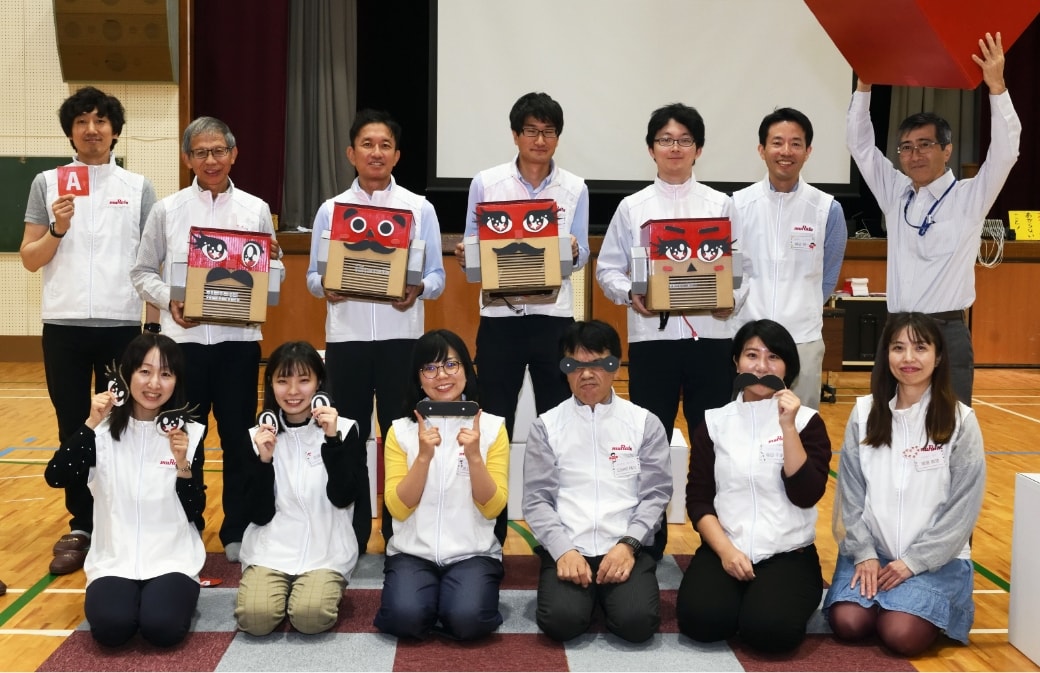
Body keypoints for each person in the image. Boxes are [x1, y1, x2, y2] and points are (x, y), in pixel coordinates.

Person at [20, 86, 157, 575]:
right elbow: (29, 258)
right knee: (73, 424)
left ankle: (118, 516)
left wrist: (152, 325)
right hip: (64, 325)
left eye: (101, 121)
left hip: (122, 326)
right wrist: (57, 229)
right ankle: (81, 524)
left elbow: (150, 262)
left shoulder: (138, 187)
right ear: (70, 132)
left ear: (115, 131)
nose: (92, 129)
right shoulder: (46, 183)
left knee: (122, 423)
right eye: (82, 121)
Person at [131, 116, 280, 562]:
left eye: (218, 151)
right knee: (185, 438)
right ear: (187, 159)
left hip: (238, 343)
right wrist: (169, 300)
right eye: (201, 152)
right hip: (183, 346)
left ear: (234, 154)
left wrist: (271, 266)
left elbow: (274, 277)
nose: (210, 160)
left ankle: (237, 528)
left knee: (238, 438)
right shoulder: (167, 210)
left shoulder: (255, 209)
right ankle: (187, 523)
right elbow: (141, 271)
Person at [847, 32, 1020, 406]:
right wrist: (864, 85)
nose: (915, 155)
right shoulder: (895, 192)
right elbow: (861, 147)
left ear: (947, 150)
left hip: (945, 332)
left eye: (925, 145)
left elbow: (1006, 153)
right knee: (886, 426)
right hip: (896, 330)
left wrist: (997, 87)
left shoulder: (970, 196)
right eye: (906, 147)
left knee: (948, 429)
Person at [596, 103, 734, 554]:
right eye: (665, 140)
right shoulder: (632, 207)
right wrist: (628, 293)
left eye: (684, 140)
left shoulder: (721, 204)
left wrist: (730, 299)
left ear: (698, 149)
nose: (675, 148)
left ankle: (715, 544)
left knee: (711, 445)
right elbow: (607, 269)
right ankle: (646, 545)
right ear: (651, 149)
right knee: (648, 445)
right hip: (653, 341)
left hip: (712, 341)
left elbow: (744, 269)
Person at [306, 109, 445, 553]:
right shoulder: (331, 210)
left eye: (385, 145)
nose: (376, 152)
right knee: (348, 434)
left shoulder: (419, 208)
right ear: (351, 153)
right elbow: (312, 277)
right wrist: (327, 287)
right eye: (367, 144)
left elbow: (438, 276)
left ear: (397, 155)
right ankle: (352, 533)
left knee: (400, 436)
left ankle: (398, 532)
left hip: (402, 339)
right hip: (345, 340)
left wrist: (418, 289)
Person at [824, 312, 985, 656]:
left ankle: (906, 604)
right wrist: (864, 553)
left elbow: (962, 510)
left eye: (920, 348)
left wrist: (913, 562)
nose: (908, 358)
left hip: (935, 560)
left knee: (901, 633)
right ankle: (888, 600)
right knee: (849, 622)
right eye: (898, 348)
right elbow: (850, 496)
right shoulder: (864, 413)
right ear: (886, 355)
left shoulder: (961, 421)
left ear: (938, 357)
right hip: (873, 553)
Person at [676, 319, 832, 653]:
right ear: (736, 362)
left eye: (773, 357)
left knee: (769, 632)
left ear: (788, 367)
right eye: (751, 355)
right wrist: (726, 552)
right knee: (701, 622)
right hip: (727, 548)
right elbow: (699, 500)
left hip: (787, 554)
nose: (761, 366)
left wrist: (788, 427)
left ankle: (768, 599)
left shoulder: (807, 422)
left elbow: (806, 495)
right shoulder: (714, 423)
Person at [43, 334, 206, 647]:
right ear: (127, 374)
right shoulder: (100, 432)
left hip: (171, 559)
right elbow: (56, 476)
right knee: (111, 629)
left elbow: (194, 510)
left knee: (163, 628)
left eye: (166, 374)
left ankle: (171, 595)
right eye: (144, 371)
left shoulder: (189, 433)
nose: (154, 384)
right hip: (113, 559)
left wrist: (182, 464)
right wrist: (90, 424)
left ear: (177, 382)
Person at [522, 320, 672, 643]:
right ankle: (588, 596)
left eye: (598, 364)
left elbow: (656, 495)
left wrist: (629, 545)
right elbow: (536, 500)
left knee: (637, 623)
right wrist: (563, 551)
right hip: (569, 545)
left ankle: (607, 594)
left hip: (625, 545)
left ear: (615, 365)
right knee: (561, 622)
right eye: (574, 365)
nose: (586, 374)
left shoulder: (644, 423)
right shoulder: (546, 426)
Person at [453, 91, 590, 437]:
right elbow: (472, 245)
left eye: (548, 132)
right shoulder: (486, 183)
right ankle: (494, 476)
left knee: (558, 418)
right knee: (494, 418)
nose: (540, 140)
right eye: (531, 131)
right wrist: (466, 255)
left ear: (558, 137)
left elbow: (583, 254)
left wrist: (575, 252)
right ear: (515, 135)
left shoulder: (575, 188)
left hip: (554, 318)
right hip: (499, 319)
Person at [373, 329, 509, 640]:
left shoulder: (492, 428)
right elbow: (398, 509)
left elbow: (493, 508)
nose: (442, 375)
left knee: (468, 621)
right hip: (412, 552)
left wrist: (474, 457)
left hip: (473, 553)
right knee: (404, 619)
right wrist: (423, 457)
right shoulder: (400, 431)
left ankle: (447, 600)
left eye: (451, 364)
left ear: (466, 370)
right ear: (418, 378)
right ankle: (430, 599)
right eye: (430, 368)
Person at [235, 341, 366, 636]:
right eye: (283, 381)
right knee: (255, 620)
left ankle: (320, 589)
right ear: (271, 384)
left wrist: (332, 442)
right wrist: (264, 462)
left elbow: (344, 497)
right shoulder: (256, 436)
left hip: (326, 549)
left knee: (310, 617)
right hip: (271, 548)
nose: (293, 391)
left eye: (304, 380)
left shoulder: (345, 429)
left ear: (319, 383)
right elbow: (258, 514)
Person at [731, 108, 847, 409]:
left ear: (808, 151)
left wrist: (802, 307)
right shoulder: (736, 206)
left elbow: (828, 277)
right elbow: (729, 272)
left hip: (802, 339)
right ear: (761, 150)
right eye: (777, 142)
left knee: (801, 425)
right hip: (747, 338)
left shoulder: (827, 209)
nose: (786, 151)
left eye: (796, 143)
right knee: (745, 424)